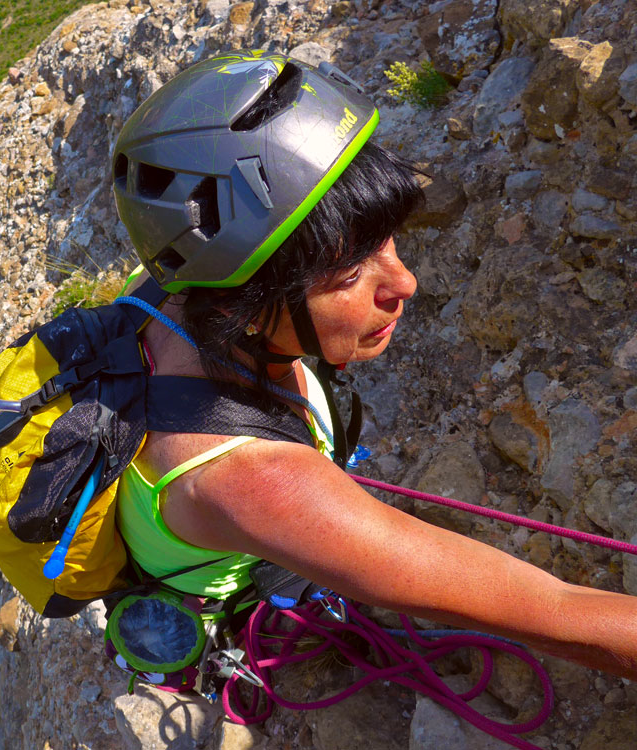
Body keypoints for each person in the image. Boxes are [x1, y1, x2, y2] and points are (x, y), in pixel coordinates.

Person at [110, 51, 637, 678]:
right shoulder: (255, 484)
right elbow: (559, 615)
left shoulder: (175, 290)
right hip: (230, 584)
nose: (406, 283)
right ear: (243, 301)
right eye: (351, 271)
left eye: (385, 237)